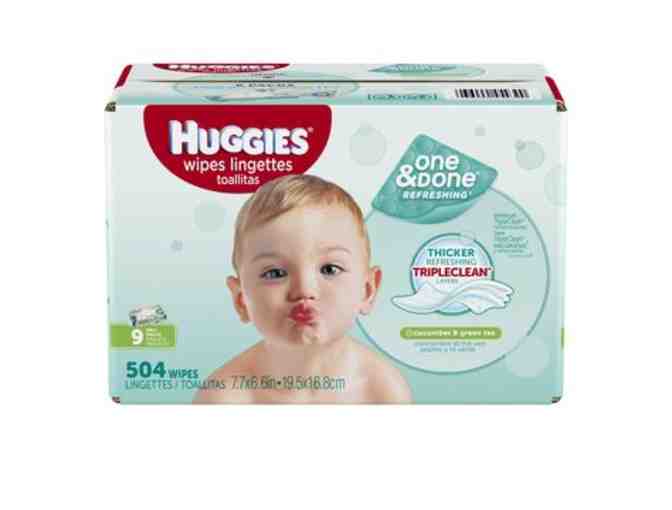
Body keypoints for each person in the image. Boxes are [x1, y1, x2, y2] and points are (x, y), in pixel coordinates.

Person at [194, 174, 412, 404]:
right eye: (275, 273)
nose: (304, 290)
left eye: (329, 269)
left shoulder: (382, 390)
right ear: (241, 300)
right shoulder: (224, 398)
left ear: (367, 290)